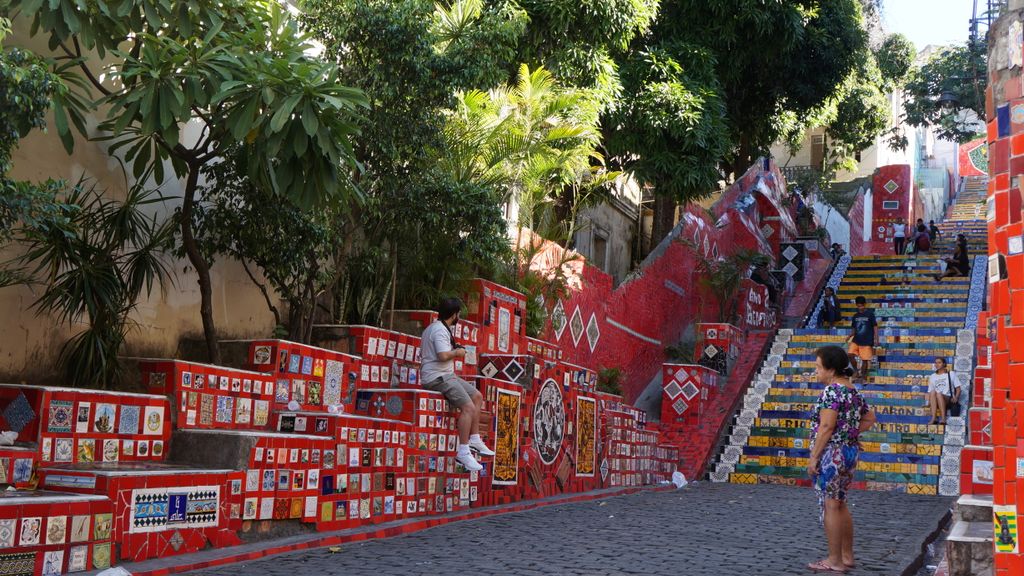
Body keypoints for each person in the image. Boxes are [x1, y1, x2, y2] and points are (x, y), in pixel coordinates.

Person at [807, 345, 877, 573]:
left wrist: (814, 457)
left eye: (818, 367)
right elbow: (869, 418)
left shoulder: (832, 392)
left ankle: (834, 560)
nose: (816, 371)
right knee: (840, 503)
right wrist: (851, 434)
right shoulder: (852, 390)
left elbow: (827, 426)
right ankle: (847, 556)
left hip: (831, 454)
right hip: (848, 452)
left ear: (831, 369)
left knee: (831, 505)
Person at [420, 298, 494, 471]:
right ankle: (463, 451)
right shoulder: (439, 330)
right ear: (454, 315)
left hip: (446, 375)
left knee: (477, 396)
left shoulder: (439, 328)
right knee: (468, 407)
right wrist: (458, 352)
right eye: (459, 314)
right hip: (436, 378)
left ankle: (474, 439)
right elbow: (443, 356)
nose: (459, 316)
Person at [846, 296, 879, 380]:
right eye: (858, 306)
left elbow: (875, 326)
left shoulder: (870, 314)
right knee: (850, 354)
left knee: (865, 360)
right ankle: (856, 371)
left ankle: (863, 377)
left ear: (865, 304)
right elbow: (853, 328)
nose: (860, 308)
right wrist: (850, 336)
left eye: (861, 306)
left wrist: (876, 338)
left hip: (867, 341)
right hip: (856, 340)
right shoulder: (855, 316)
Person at [925, 357, 962, 425]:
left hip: (948, 399)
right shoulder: (932, 376)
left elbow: (958, 388)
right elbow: (929, 392)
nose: (937, 364)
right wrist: (928, 402)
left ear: (944, 364)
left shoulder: (951, 374)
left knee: (939, 394)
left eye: (939, 362)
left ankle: (943, 419)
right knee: (933, 392)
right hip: (936, 399)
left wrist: (956, 397)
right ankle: (934, 418)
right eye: (936, 363)